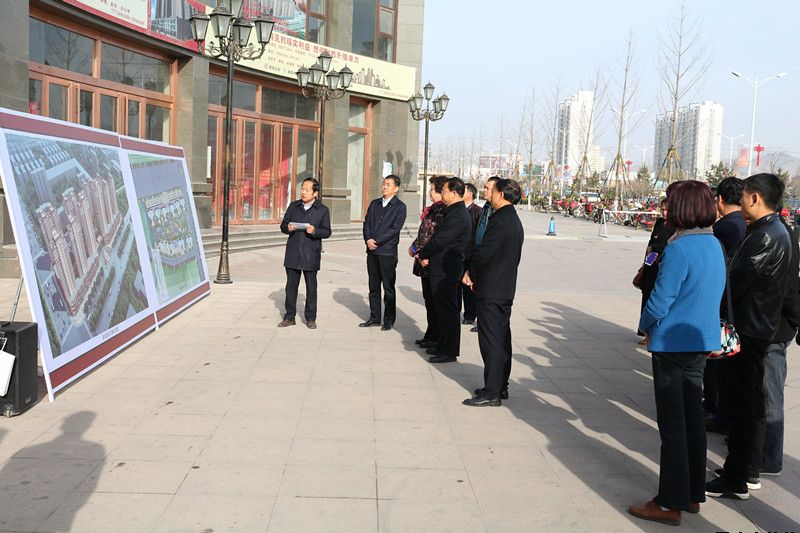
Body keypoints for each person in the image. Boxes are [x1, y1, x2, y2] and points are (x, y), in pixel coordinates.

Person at [628, 180, 726, 526]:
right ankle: (692, 493)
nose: (665, 209)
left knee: (672, 424)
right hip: (700, 340)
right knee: (692, 420)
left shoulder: (680, 248)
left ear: (684, 207)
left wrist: (645, 323)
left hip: (673, 342)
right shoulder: (713, 243)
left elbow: (660, 300)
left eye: (669, 203)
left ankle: (669, 502)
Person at [706, 173, 792, 501]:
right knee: (747, 404)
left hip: (750, 330)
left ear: (755, 198)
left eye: (743, 196)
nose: (739, 202)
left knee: (744, 406)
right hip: (756, 327)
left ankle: (737, 477)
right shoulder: (769, 229)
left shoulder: (768, 235)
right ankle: (740, 469)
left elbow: (737, 280)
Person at [744, 206, 800, 485]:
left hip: (775, 329)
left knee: (770, 394)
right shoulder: (776, 232)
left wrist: (793, 320)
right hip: (772, 325)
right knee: (763, 391)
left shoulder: (779, 236)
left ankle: (770, 458)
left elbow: (788, 289)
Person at [461, 178, 525, 407]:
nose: (488, 193)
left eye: (491, 190)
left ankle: (492, 392)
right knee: (501, 339)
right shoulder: (511, 219)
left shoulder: (500, 221)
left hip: (492, 289)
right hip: (503, 288)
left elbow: (485, 253)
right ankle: (500, 385)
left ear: (501, 194)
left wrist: (471, 273)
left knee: (492, 342)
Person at [705, 177, 747, 433]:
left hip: (724, 303)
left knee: (718, 361)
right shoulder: (745, 223)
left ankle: (716, 409)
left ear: (719, 200)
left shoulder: (726, 227)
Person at [416, 177, 471, 363]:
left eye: (445, 191)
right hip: (440, 267)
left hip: (446, 269)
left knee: (448, 311)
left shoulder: (458, 215)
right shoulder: (452, 211)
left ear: (454, 193)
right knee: (441, 310)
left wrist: (422, 253)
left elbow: (440, 240)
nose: (442, 193)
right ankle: (441, 344)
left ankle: (449, 351)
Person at [278, 178, 331, 329]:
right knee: (291, 287)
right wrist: (288, 227)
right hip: (293, 252)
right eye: (302, 189)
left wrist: (314, 231)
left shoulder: (322, 210)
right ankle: (289, 317)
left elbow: (327, 231)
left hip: (310, 253)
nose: (303, 192)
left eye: (307, 190)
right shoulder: (294, 206)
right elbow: (283, 226)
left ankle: (311, 318)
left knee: (311, 288)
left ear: (315, 193)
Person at [359, 175, 407, 331]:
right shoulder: (375, 204)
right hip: (372, 252)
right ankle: (374, 317)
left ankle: (388, 320)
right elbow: (367, 223)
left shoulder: (400, 207)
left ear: (396, 188)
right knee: (373, 287)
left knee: (388, 288)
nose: (385, 186)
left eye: (388, 184)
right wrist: (368, 239)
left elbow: (395, 229)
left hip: (387, 252)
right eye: (384, 184)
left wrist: (377, 241)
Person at [410, 176, 448, 349]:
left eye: (432, 189)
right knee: (429, 301)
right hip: (423, 261)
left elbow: (434, 237)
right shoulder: (433, 209)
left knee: (435, 302)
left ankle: (437, 337)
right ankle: (431, 334)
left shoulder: (443, 211)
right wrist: (414, 248)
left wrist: (418, 250)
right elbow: (423, 234)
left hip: (431, 261)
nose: (430, 193)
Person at [637, 196, 675, 344]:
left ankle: (656, 333)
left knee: (656, 297)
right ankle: (646, 332)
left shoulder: (675, 226)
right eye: (662, 210)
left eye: (667, 210)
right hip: (652, 260)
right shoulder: (659, 223)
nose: (664, 213)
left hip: (663, 263)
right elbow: (651, 242)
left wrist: (655, 248)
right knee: (646, 295)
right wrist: (645, 264)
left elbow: (667, 246)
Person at [468, 176, 500, 333]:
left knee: (488, 295)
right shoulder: (486, 208)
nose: (484, 190)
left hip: (490, 260)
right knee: (479, 293)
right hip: (479, 253)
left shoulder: (498, 212)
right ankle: (481, 322)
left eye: (488, 188)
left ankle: (487, 323)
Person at [460, 183, 483, 326]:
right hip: (458, 254)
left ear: (470, 194)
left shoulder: (477, 211)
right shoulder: (458, 210)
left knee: (468, 287)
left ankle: (470, 315)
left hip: (469, 254)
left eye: (463, 190)